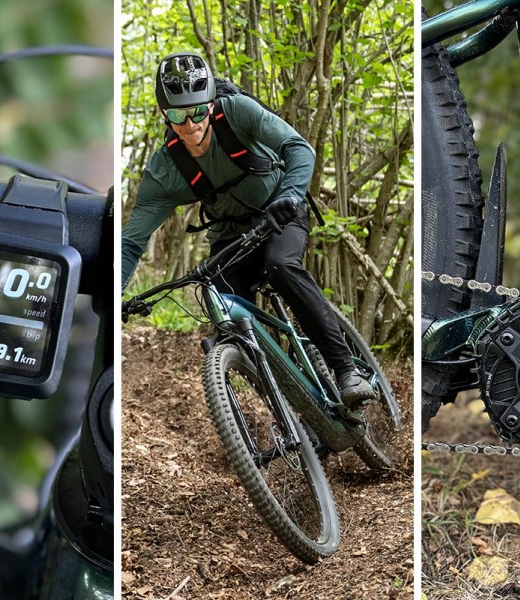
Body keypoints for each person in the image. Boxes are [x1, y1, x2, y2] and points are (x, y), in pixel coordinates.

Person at [121, 51, 373, 408]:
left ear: (210, 103)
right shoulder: (165, 168)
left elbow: (297, 147)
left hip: (279, 214)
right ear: (164, 114)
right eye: (178, 116)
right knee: (225, 319)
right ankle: (289, 410)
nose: (190, 125)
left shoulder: (237, 112)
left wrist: (289, 196)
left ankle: (346, 369)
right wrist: (115, 294)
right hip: (230, 238)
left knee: (282, 266)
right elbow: (131, 242)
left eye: (197, 112)